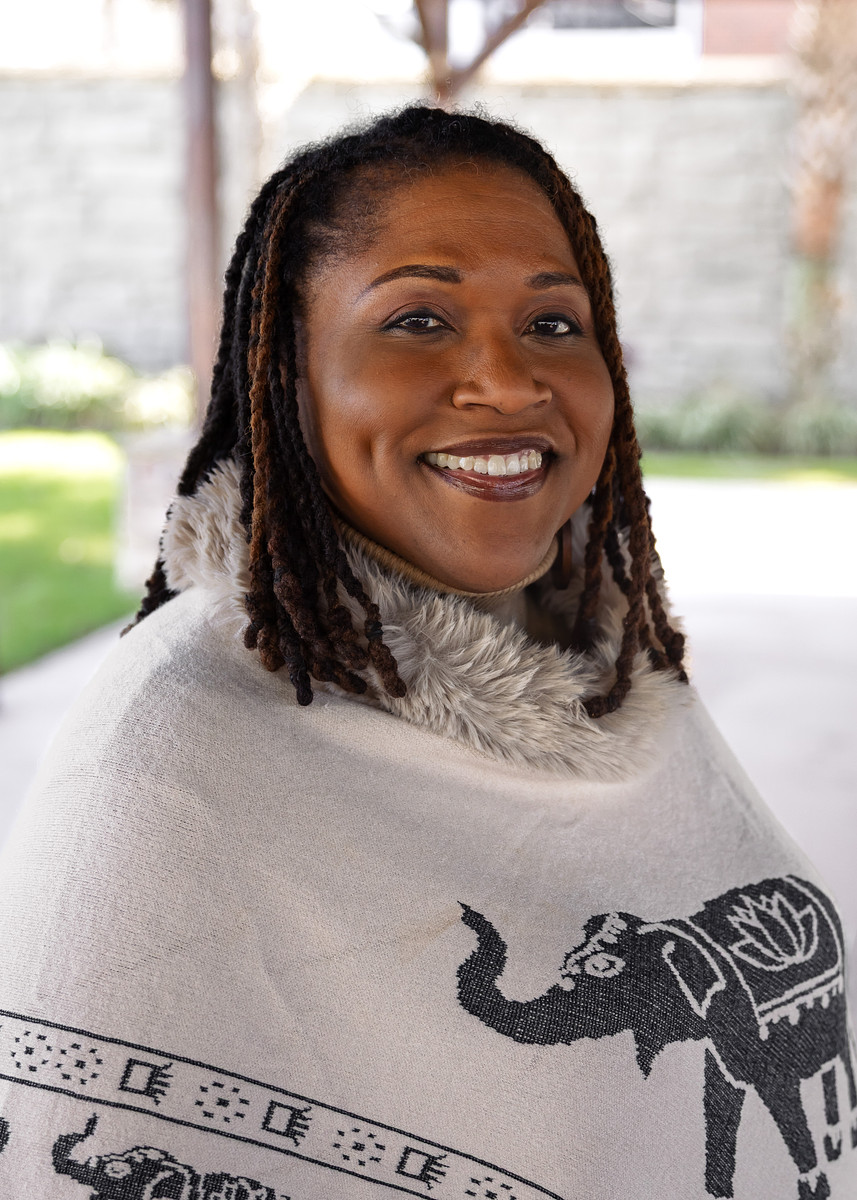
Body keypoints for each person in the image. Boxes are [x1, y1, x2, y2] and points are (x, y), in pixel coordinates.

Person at [0, 106, 853, 1200]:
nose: (508, 381)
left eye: (552, 323)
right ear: (287, 375)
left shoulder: (612, 675)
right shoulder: (163, 767)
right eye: (417, 320)